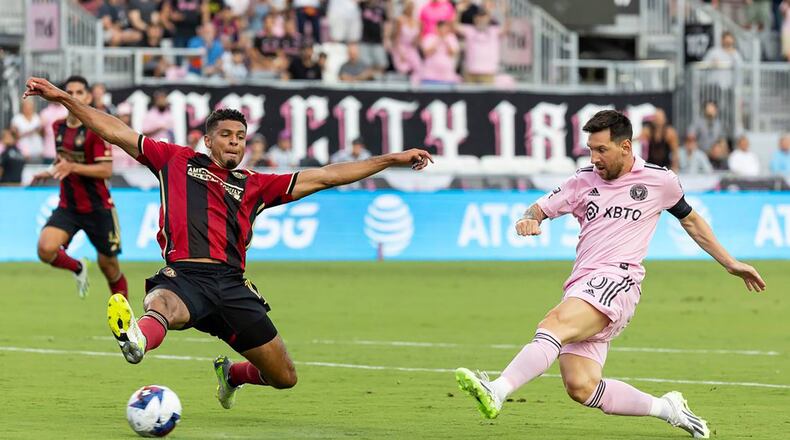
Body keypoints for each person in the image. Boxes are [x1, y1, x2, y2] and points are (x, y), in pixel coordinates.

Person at [23, 74, 432, 409]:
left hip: (233, 287)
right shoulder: (174, 160)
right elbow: (114, 130)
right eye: (227, 135)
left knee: (284, 377)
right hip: (184, 276)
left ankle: (231, 373)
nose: (235, 141)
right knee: (163, 303)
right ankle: (137, 341)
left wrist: (390, 159)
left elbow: (325, 175)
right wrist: (63, 98)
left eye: (241, 135)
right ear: (209, 140)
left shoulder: (255, 185)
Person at [454, 110, 765, 439]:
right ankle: (668, 409)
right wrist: (528, 219)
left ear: (626, 147)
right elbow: (539, 208)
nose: (595, 157)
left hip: (619, 282)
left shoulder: (659, 180)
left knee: (553, 325)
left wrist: (730, 262)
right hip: (581, 284)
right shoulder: (582, 180)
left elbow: (690, 220)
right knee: (581, 386)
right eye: (590, 149)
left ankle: (497, 390)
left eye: (601, 149)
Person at [28, 76, 128, 299]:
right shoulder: (58, 127)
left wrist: (72, 166)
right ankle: (78, 267)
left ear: (88, 97)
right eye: (69, 92)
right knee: (45, 249)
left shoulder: (96, 130)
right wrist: (50, 172)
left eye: (79, 92)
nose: (73, 97)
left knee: (109, 266)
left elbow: (106, 171)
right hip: (69, 206)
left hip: (98, 208)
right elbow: (62, 161)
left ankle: (126, 320)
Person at [12, 98, 45, 162]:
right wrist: (31, 131)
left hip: (38, 151)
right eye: (26, 107)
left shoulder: (37, 117)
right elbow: (14, 135)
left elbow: (42, 134)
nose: (28, 109)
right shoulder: (17, 119)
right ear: (22, 107)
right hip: (22, 152)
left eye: (30, 107)